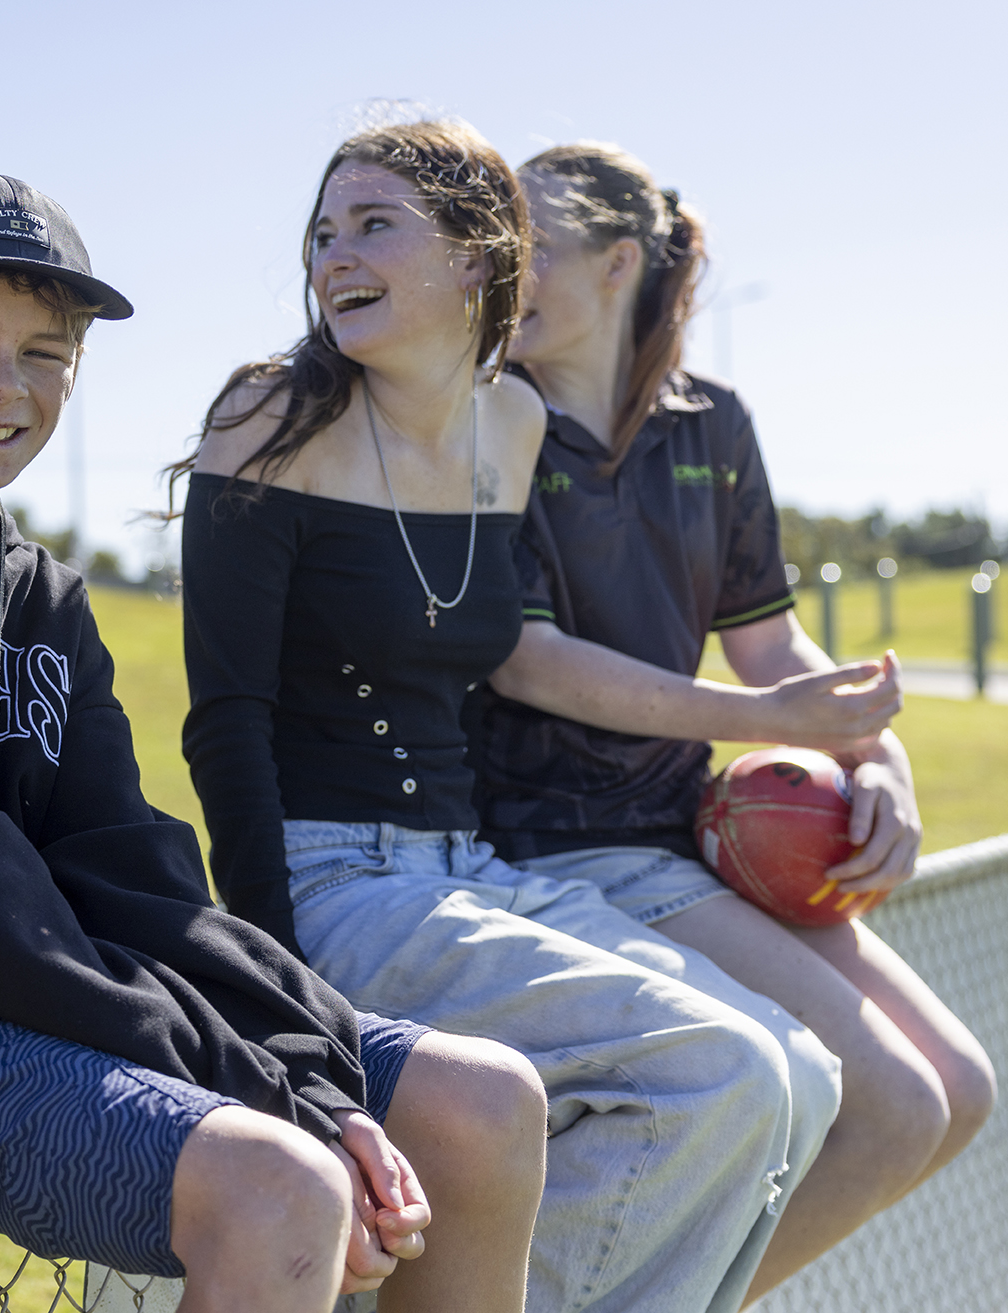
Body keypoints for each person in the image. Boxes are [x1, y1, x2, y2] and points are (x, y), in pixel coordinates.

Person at [0, 172, 547, 1313]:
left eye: (44, 353)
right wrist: (259, 1088)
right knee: (278, 1184)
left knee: (484, 1104)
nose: (3, 384)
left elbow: (126, 865)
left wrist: (302, 1057)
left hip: (13, 991)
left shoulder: (41, 599)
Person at [178, 118, 825, 1313]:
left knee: (804, 1074)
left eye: (374, 224)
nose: (333, 255)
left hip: (469, 870)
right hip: (332, 885)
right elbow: (224, 722)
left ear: (477, 258)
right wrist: (281, 993)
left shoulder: (511, 427)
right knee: (722, 1071)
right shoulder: (268, 417)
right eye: (322, 232)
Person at [472, 141, 997, 1300]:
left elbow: (772, 647)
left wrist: (881, 761)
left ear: (619, 263)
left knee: (956, 1087)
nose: (502, 271)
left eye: (533, 246)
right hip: (554, 838)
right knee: (893, 1104)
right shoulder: (482, 419)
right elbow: (525, 662)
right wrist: (762, 712)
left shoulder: (711, 424)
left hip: (679, 833)